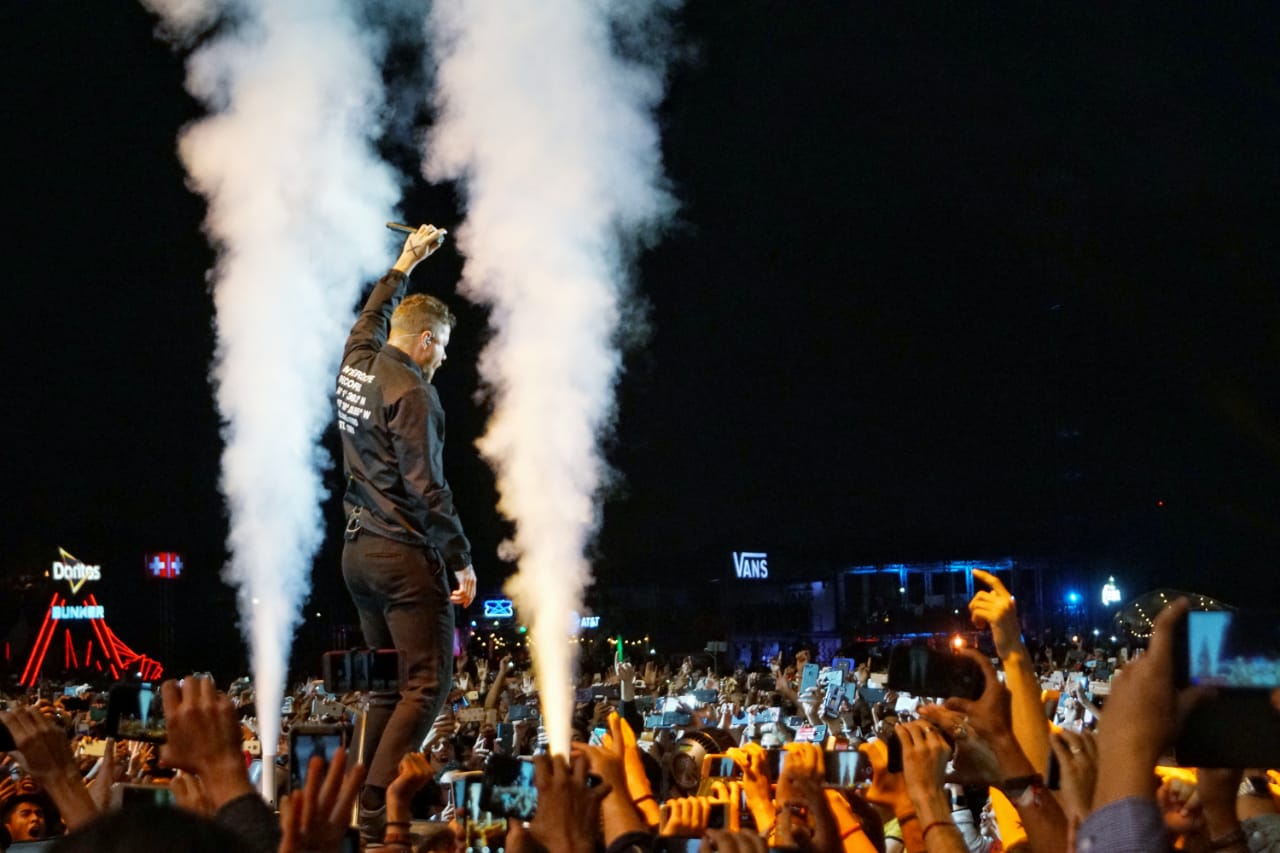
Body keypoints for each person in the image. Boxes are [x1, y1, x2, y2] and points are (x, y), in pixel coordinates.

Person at [334, 224, 478, 842]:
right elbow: (428, 489)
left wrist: (405, 261)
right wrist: (462, 561)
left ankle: (363, 803)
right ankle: (375, 803)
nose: (443, 357)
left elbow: (373, 311)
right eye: (442, 346)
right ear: (424, 341)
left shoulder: (357, 361)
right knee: (428, 682)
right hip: (400, 555)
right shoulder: (414, 393)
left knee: (386, 689)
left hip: (356, 554)